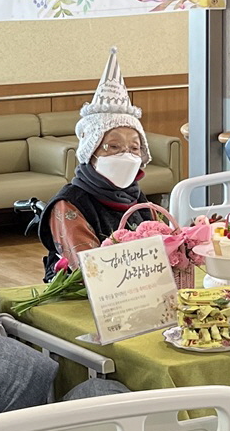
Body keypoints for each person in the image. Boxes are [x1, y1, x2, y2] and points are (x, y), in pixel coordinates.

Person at [40, 49, 151, 279]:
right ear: (91, 152)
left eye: (134, 148)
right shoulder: (69, 204)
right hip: (85, 291)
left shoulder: (136, 197)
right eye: (114, 146)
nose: (126, 155)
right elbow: (90, 269)